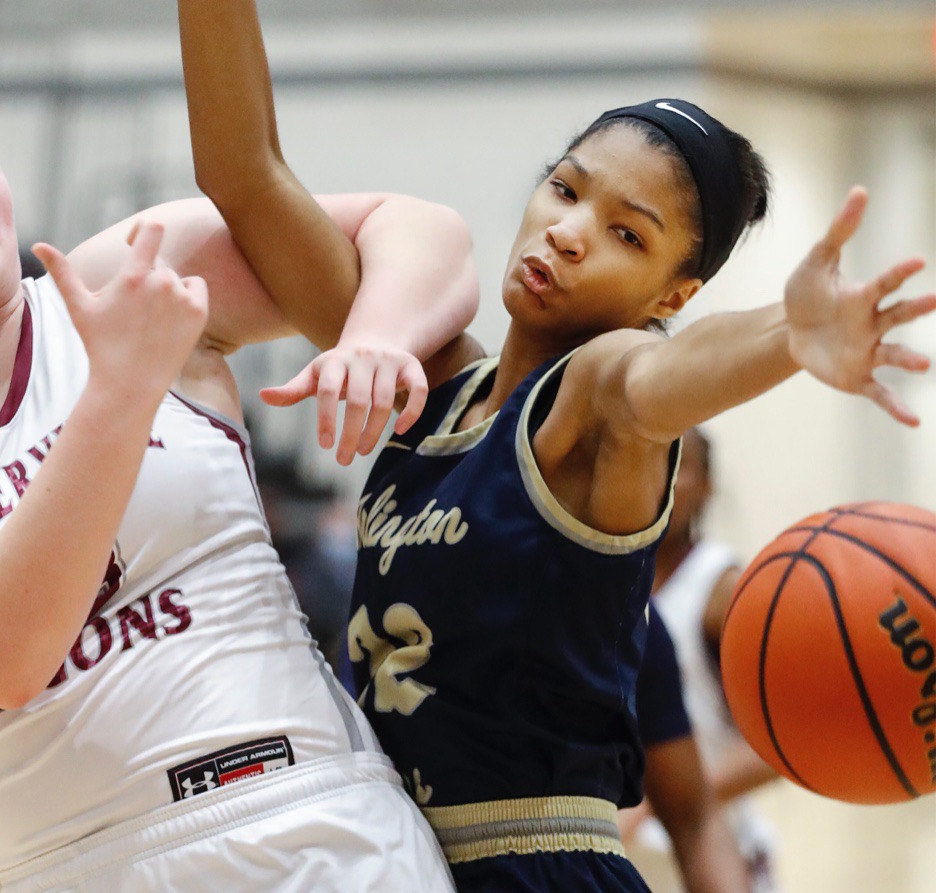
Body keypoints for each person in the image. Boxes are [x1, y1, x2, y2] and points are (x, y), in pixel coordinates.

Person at [186, 3, 936, 890]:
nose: (569, 230)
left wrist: (787, 337)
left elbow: (655, 382)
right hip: (384, 854)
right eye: (567, 188)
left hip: (533, 866)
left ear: (673, 291)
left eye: (628, 234)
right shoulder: (424, 376)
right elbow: (247, 178)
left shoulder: (597, 390)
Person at [0, 62, 480, 890]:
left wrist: (376, 331)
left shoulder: (119, 276)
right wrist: (121, 391)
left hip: (315, 820)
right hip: (87, 863)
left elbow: (419, 228)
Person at [625, 427, 781, 892]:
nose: (665, 480)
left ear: (708, 485)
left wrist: (664, 799)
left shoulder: (722, 588)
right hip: (631, 856)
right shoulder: (610, 580)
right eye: (653, 461)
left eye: (681, 465)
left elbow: (775, 748)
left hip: (716, 847)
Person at [626, 603, 751, 893]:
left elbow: (765, 752)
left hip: (713, 832)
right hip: (638, 855)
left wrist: (645, 807)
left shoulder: (717, 585)